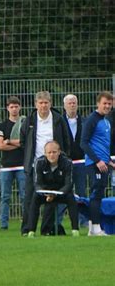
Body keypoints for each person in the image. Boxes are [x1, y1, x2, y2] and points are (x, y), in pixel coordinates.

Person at [20, 91, 70, 236]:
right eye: (40, 103)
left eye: (46, 103)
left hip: (54, 167)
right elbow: (23, 141)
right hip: (34, 166)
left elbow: (66, 140)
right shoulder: (29, 120)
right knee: (30, 198)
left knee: (51, 198)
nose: (43, 106)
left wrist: (61, 159)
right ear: (36, 104)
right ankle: (27, 229)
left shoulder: (58, 119)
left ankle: (46, 229)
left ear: (50, 103)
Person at [27, 141, 79, 238]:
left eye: (54, 152)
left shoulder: (67, 162)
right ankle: (31, 231)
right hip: (45, 193)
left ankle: (75, 229)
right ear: (45, 153)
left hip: (61, 192)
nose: (52, 155)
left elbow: (69, 184)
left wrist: (56, 195)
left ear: (59, 152)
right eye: (49, 152)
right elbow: (37, 184)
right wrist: (46, 194)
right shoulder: (39, 162)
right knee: (34, 198)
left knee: (71, 199)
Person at [80, 91, 114, 236]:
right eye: (104, 103)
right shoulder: (91, 120)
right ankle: (95, 227)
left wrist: (109, 161)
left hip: (104, 163)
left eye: (109, 103)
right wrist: (98, 160)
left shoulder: (106, 121)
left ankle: (93, 226)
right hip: (95, 164)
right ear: (98, 104)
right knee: (96, 194)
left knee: (99, 194)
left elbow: (103, 144)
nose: (107, 106)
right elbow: (84, 143)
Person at [0, 96, 25, 230]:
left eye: (16, 106)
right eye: (11, 107)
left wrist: (9, 141)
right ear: (7, 108)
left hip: (22, 165)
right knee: (5, 196)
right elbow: (0, 146)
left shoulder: (24, 124)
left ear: (20, 107)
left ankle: (26, 221)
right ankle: (4, 225)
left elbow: (25, 143)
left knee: (24, 195)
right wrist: (17, 144)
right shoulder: (2, 126)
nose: (14, 109)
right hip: (6, 165)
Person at [59, 94, 88, 227]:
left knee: (81, 191)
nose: (72, 105)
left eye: (74, 103)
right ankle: (58, 220)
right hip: (65, 163)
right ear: (64, 106)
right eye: (69, 103)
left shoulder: (84, 121)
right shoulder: (59, 122)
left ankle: (83, 220)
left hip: (81, 162)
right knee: (63, 191)